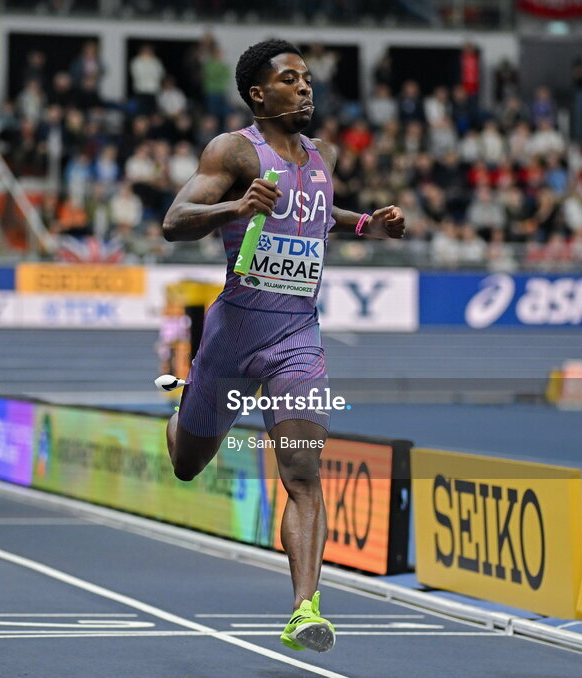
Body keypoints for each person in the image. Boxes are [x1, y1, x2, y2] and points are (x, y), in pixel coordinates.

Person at [160, 40, 404, 653]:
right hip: (231, 341)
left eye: (307, 78)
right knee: (188, 462)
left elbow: (315, 213)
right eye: (289, 79)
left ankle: (304, 608)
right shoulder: (234, 150)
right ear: (257, 94)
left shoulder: (319, 157)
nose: (305, 87)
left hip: (297, 340)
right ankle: (183, 410)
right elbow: (174, 219)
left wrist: (363, 224)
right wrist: (236, 205)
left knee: (302, 469)